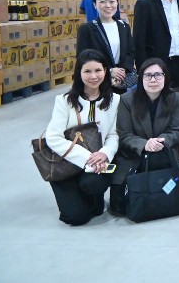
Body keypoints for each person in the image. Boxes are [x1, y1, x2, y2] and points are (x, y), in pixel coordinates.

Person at [44, 49, 120, 226]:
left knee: (93, 187)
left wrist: (105, 154)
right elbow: (53, 137)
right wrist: (87, 158)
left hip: (98, 164)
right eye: (87, 71)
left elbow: (114, 134)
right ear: (79, 73)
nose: (93, 76)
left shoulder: (115, 100)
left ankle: (94, 199)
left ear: (105, 71)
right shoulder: (64, 101)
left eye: (98, 70)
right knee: (75, 218)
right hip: (66, 164)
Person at [109, 58, 179, 216]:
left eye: (158, 75)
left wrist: (160, 141)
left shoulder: (176, 98)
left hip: (164, 154)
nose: (153, 80)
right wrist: (145, 144)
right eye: (148, 75)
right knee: (120, 207)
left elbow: (176, 130)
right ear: (141, 78)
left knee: (166, 196)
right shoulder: (127, 99)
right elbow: (125, 135)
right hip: (134, 156)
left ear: (165, 77)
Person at [76, 0, 135, 94]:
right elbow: (82, 57)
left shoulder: (124, 27)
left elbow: (130, 52)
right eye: (102, 2)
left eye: (112, 1)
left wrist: (122, 72)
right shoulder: (87, 29)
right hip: (97, 80)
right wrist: (110, 71)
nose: (108, 5)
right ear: (95, 5)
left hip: (120, 80)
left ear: (117, 3)